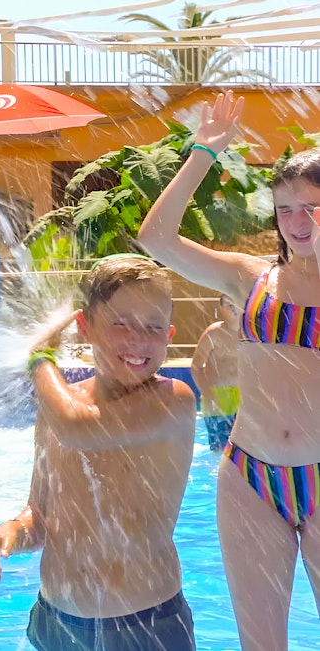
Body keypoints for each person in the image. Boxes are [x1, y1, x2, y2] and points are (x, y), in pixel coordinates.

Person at [138, 91, 320, 651]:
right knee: (260, 644)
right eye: (285, 208)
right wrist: (202, 154)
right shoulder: (250, 278)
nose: (297, 221)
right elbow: (155, 239)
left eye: (312, 205)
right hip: (250, 478)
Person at [0, 256, 198, 651]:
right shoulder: (59, 409)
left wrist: (40, 359)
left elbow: (81, 427)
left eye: (154, 326)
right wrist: (8, 532)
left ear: (169, 335)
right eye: (120, 323)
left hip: (143, 626)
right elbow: (41, 514)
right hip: (56, 623)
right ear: (84, 327)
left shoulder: (172, 402)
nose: (138, 339)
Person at [190, 295, 241, 451]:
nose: (232, 306)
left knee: (243, 450)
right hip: (218, 397)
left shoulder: (250, 335)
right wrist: (207, 392)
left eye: (235, 302)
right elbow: (196, 366)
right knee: (220, 450)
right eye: (227, 303)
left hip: (243, 397)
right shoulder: (214, 334)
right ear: (220, 309)